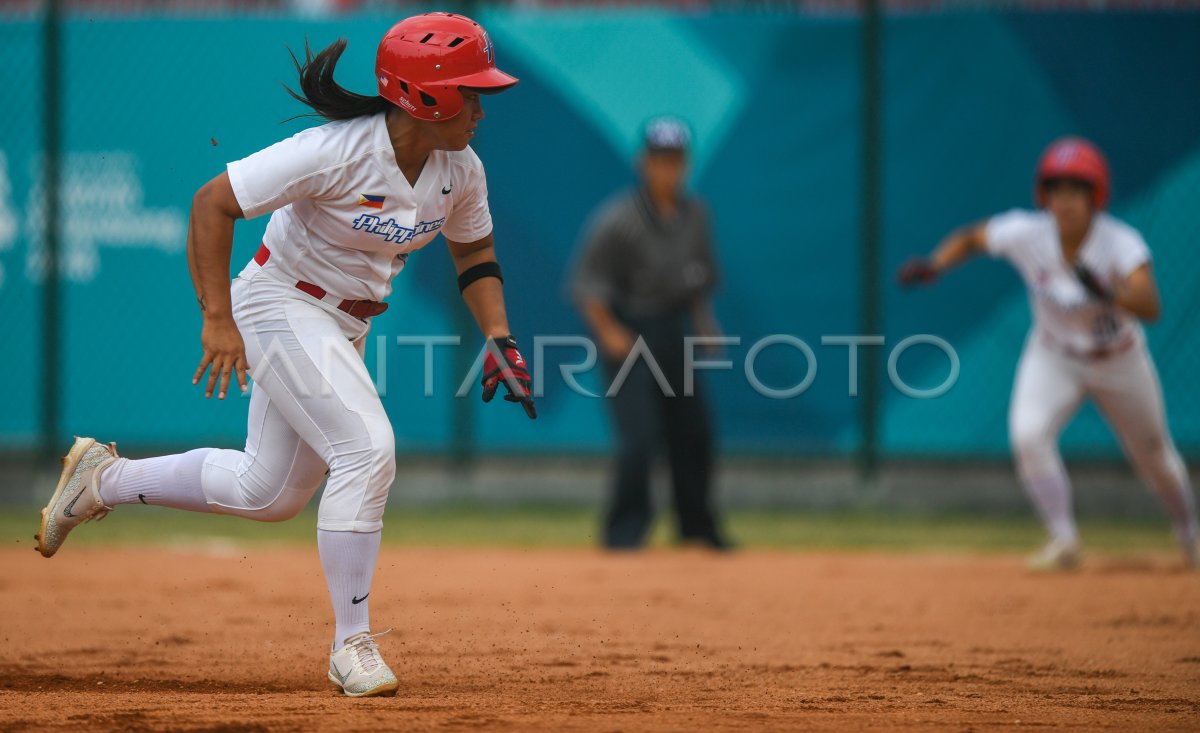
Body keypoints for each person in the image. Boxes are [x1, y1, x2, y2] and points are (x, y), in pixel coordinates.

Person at [34, 12, 536, 697]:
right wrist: (218, 318)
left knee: (266, 492)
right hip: (280, 303)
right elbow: (212, 203)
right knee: (367, 446)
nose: (481, 106)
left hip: (343, 324)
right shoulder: (335, 152)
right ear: (424, 97)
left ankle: (102, 478)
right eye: (471, 91)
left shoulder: (460, 170)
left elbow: (474, 252)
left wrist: (500, 338)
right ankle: (350, 644)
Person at [898, 136, 1198, 571]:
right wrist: (936, 264)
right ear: (1044, 195)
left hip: (1119, 359)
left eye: (1077, 190)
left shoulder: (1120, 243)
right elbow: (971, 238)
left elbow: (1150, 305)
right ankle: (1064, 540)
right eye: (1056, 190)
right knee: (1028, 435)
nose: (1066, 201)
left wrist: (1111, 292)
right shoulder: (1026, 233)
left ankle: (1189, 533)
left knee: (1153, 455)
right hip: (1054, 355)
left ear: (1096, 196)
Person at [569, 117, 729, 551]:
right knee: (639, 437)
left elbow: (696, 281)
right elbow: (587, 284)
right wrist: (609, 330)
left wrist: (704, 324)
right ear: (644, 163)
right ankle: (624, 533)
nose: (668, 169)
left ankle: (697, 527)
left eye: (675, 160)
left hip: (674, 329)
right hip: (631, 329)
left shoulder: (695, 215)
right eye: (660, 160)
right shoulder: (618, 220)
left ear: (686, 164)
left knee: (694, 433)